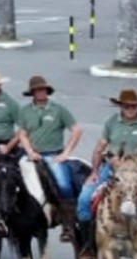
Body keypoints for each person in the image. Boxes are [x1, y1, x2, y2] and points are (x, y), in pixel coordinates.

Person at [77, 88, 137, 259]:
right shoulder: (111, 122)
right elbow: (100, 147)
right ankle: (88, 246)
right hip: (111, 168)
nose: (130, 108)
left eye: (134, 105)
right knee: (83, 200)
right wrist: (95, 171)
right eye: (127, 105)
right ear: (120, 106)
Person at [14, 74, 84, 206]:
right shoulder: (24, 111)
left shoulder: (58, 110)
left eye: (43, 89)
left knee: (64, 185)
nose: (41, 92)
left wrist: (66, 153)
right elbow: (22, 133)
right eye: (38, 90)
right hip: (30, 154)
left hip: (53, 154)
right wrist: (29, 151)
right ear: (32, 93)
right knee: (9, 180)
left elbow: (77, 130)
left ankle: (68, 216)